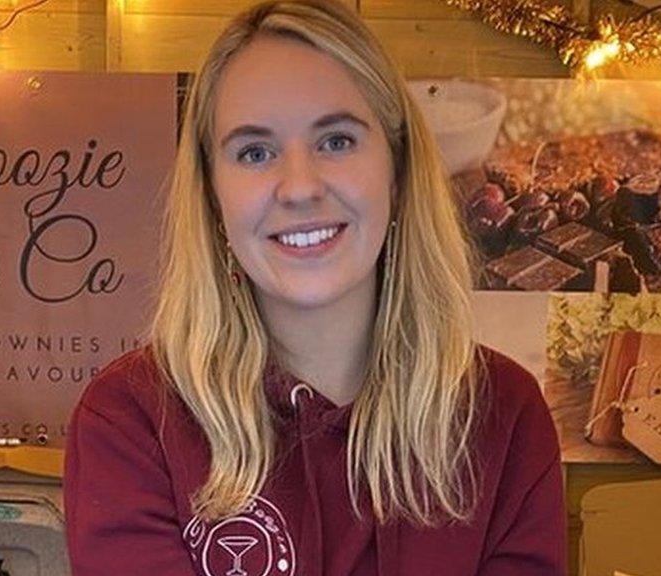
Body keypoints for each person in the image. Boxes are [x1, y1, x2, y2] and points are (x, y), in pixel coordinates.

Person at [63, 1, 566, 574]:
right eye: (255, 152)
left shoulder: (505, 417)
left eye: (336, 141)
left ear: (398, 173)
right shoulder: (131, 422)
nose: (299, 187)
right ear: (211, 198)